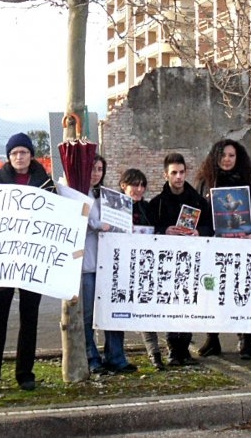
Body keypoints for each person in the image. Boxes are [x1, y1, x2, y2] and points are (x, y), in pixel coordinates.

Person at [0, 133, 55, 394]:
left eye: (23, 152)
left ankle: (25, 373)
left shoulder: (46, 183)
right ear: (8, 157)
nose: (19, 157)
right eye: (14, 153)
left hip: (33, 262)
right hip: (3, 261)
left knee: (29, 318)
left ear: (31, 155)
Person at [195, 139, 251, 360]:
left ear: (238, 158)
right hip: (213, 248)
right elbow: (199, 216)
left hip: (241, 247)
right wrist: (205, 233)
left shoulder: (247, 182)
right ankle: (212, 338)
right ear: (215, 157)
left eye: (231, 155)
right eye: (223, 155)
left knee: (242, 292)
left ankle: (245, 340)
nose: (227, 159)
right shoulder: (205, 183)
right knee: (211, 292)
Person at [146, 153, 213, 366]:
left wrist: (198, 233)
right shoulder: (156, 203)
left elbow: (211, 227)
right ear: (166, 175)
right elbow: (148, 230)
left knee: (190, 303)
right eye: (174, 173)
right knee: (171, 305)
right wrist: (164, 230)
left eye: (182, 172)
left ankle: (184, 349)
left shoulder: (198, 201)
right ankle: (174, 350)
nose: (178, 177)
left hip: (194, 260)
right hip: (166, 263)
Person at [81, 154, 128, 375]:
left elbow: (120, 224)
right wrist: (99, 225)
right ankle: (92, 358)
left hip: (108, 263)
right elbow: (79, 222)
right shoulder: (77, 194)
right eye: (92, 169)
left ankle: (116, 357)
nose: (96, 173)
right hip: (87, 264)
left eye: (100, 169)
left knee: (113, 312)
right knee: (88, 315)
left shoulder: (108, 196)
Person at [118, 168, 159, 371]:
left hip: (144, 266)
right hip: (120, 266)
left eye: (143, 185)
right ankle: (116, 355)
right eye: (135, 184)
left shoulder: (148, 208)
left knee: (146, 308)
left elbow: (156, 231)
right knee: (119, 312)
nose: (139, 189)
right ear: (123, 185)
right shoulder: (115, 207)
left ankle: (154, 352)